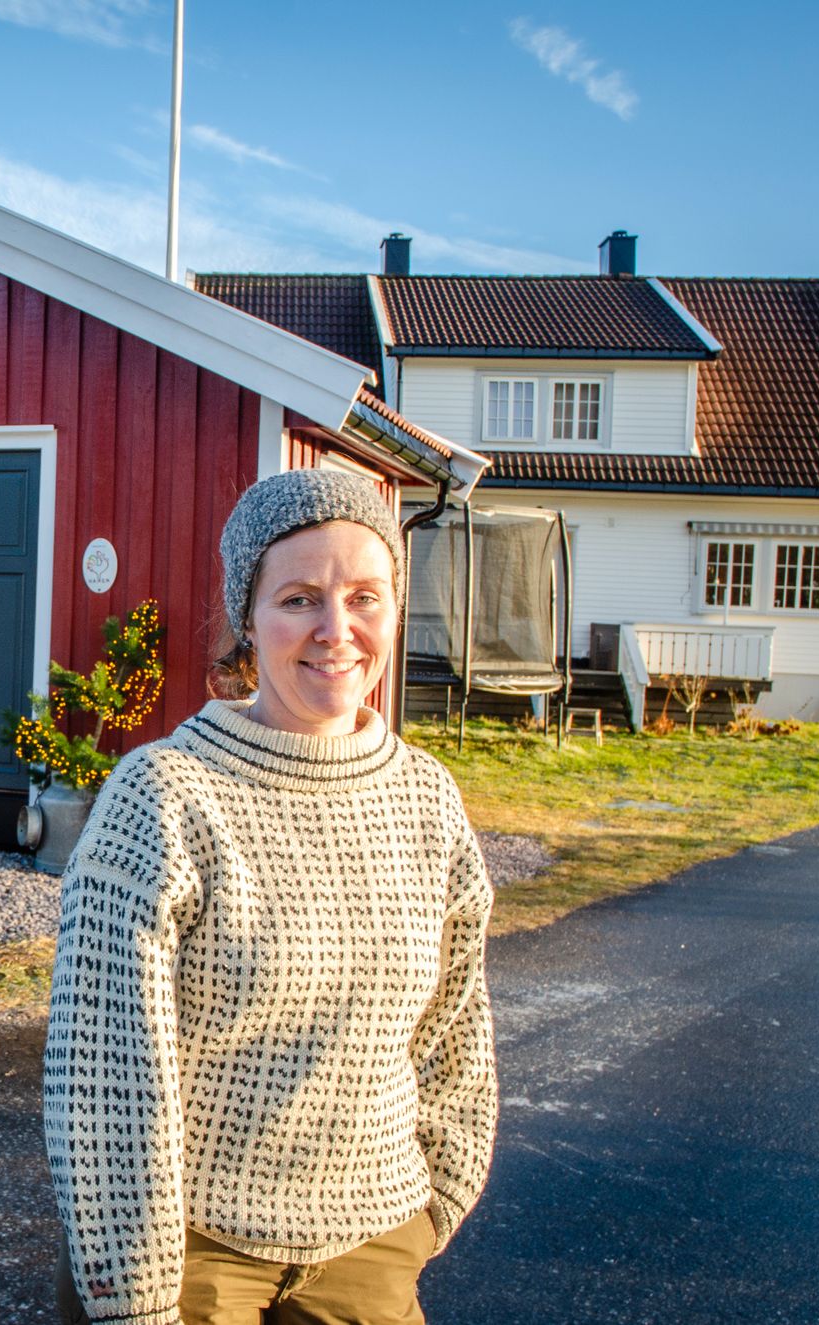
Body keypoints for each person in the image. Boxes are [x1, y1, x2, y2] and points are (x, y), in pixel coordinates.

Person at [43, 468, 497, 1325]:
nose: (336, 630)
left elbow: (454, 1030)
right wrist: (136, 1296)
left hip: (374, 1248)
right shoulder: (164, 794)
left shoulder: (428, 799)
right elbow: (104, 1075)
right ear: (247, 619)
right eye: (299, 599)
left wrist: (436, 1201)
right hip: (188, 1258)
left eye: (365, 598)